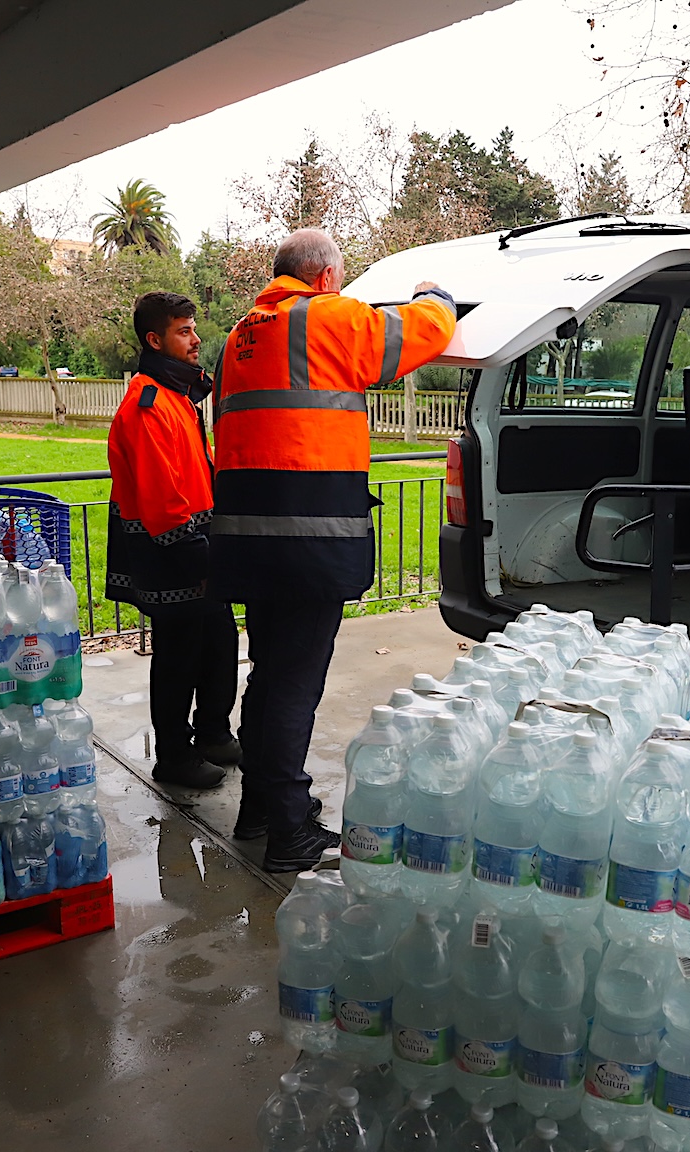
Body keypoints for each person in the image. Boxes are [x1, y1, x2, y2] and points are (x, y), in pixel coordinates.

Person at [210, 228, 457, 871]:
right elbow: (421, 332)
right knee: (294, 685)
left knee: (269, 676)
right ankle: (289, 826)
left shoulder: (239, 337)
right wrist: (436, 296)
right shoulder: (327, 318)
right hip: (308, 542)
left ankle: (260, 810)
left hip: (248, 539)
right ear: (324, 278)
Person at [105, 291, 242, 789]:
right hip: (172, 551)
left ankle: (212, 734)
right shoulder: (146, 404)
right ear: (154, 339)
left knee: (219, 644)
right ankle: (174, 757)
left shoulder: (177, 396)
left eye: (193, 329)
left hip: (198, 544)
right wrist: (198, 552)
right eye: (184, 330)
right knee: (179, 657)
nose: (195, 339)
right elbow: (163, 496)